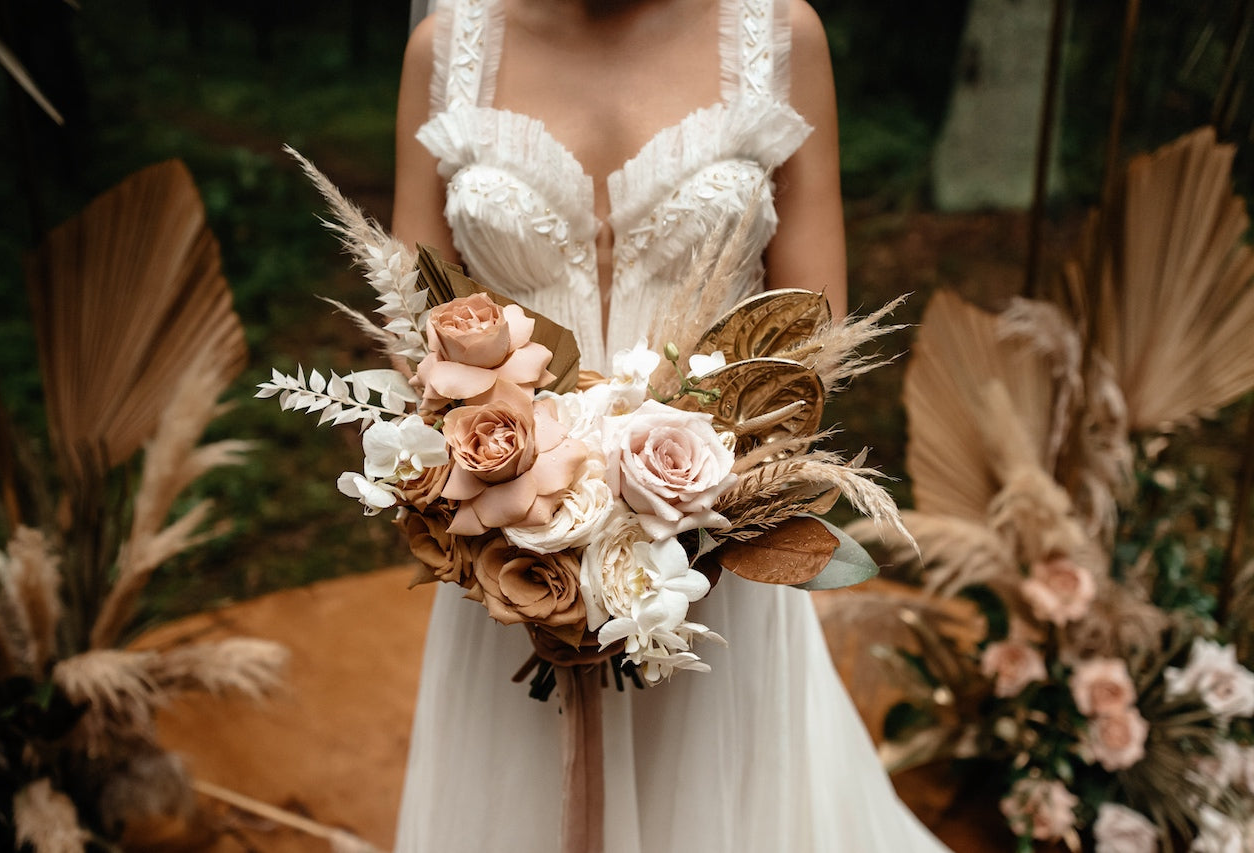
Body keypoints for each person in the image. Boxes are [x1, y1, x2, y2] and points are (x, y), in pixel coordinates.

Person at [391, 0, 950, 850]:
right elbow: (409, 332)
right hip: (511, 553)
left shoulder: (780, 38)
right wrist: (524, 509)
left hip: (715, 557)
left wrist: (682, 517)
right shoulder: (446, 49)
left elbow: (809, 345)